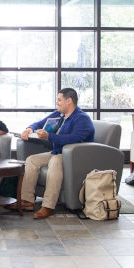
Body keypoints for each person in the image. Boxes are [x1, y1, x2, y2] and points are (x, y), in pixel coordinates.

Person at [18, 88, 95, 219]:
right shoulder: (59, 115)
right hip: (57, 152)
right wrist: (29, 128)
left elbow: (74, 139)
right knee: (31, 160)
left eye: (59, 100)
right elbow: (40, 123)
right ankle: (26, 201)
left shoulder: (82, 119)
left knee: (55, 160)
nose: (57, 102)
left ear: (69, 101)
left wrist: (50, 136)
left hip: (74, 157)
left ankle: (48, 206)